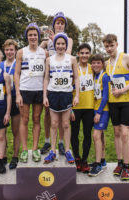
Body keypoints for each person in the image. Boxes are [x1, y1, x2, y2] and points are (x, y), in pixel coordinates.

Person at [103, 34, 129, 180]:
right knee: (117, 132)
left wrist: (123, 90)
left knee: (125, 133)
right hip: (113, 102)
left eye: (111, 45)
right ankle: (119, 162)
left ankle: (126, 166)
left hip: (127, 101)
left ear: (117, 44)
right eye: (106, 46)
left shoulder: (126, 58)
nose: (109, 49)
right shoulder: (107, 63)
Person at [40, 11, 73, 156]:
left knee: (62, 116)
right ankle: (48, 141)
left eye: (62, 23)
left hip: (63, 82)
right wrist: (44, 51)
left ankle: (61, 143)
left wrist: (55, 41)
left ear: (64, 26)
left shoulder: (68, 40)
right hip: (51, 80)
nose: (59, 25)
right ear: (53, 25)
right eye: (57, 23)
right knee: (49, 114)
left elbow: (69, 54)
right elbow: (37, 53)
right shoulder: (47, 41)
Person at [43, 32, 79, 164]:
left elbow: (76, 78)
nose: (60, 46)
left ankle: (68, 150)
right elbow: (46, 78)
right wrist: (44, 96)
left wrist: (77, 96)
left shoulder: (72, 59)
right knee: (54, 124)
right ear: (55, 45)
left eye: (63, 44)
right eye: (58, 43)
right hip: (53, 94)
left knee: (65, 124)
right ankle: (52, 151)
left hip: (66, 94)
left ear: (66, 45)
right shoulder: (49, 60)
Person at [14, 23, 47, 163]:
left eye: (35, 35)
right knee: (25, 119)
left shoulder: (44, 53)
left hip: (39, 90)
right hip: (25, 89)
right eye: (30, 35)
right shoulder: (21, 52)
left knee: (36, 119)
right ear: (27, 37)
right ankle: (24, 150)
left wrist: (45, 94)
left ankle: (35, 149)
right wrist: (18, 93)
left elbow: (46, 74)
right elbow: (16, 73)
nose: (33, 37)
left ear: (38, 36)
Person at [70, 43, 94, 173]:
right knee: (74, 134)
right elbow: (68, 88)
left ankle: (84, 160)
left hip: (89, 107)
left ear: (89, 54)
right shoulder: (73, 68)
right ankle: (77, 158)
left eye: (86, 53)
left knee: (87, 134)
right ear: (78, 54)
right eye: (82, 53)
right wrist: (70, 108)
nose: (84, 55)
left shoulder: (93, 68)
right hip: (75, 107)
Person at [0, 39, 21, 169]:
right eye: (7, 50)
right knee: (2, 131)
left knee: (15, 130)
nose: (9, 52)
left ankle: (15, 156)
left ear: (15, 51)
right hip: (1, 100)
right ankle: (4, 156)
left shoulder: (18, 63)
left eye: (11, 49)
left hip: (15, 99)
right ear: (4, 51)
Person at [88, 54, 109, 177]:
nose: (95, 65)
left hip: (103, 110)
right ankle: (102, 160)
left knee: (95, 135)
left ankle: (98, 165)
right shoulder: (95, 76)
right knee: (100, 136)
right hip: (95, 108)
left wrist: (99, 113)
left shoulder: (104, 76)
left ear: (102, 64)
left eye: (98, 63)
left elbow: (105, 96)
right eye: (94, 63)